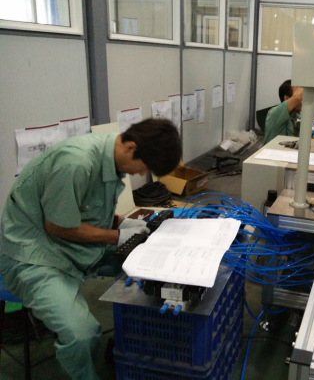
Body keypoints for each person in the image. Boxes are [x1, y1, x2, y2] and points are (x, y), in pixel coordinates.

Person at [0, 118, 182, 379]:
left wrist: (127, 224)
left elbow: (90, 211)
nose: (141, 173)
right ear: (131, 147)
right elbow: (58, 226)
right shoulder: (76, 162)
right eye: (145, 167)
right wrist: (117, 236)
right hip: (36, 256)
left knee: (154, 265)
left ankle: (140, 341)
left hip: (76, 246)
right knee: (82, 334)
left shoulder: (110, 160)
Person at [263, 79, 304, 145]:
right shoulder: (274, 114)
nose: (303, 101)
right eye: (301, 97)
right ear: (286, 98)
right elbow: (297, 98)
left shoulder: (297, 118)